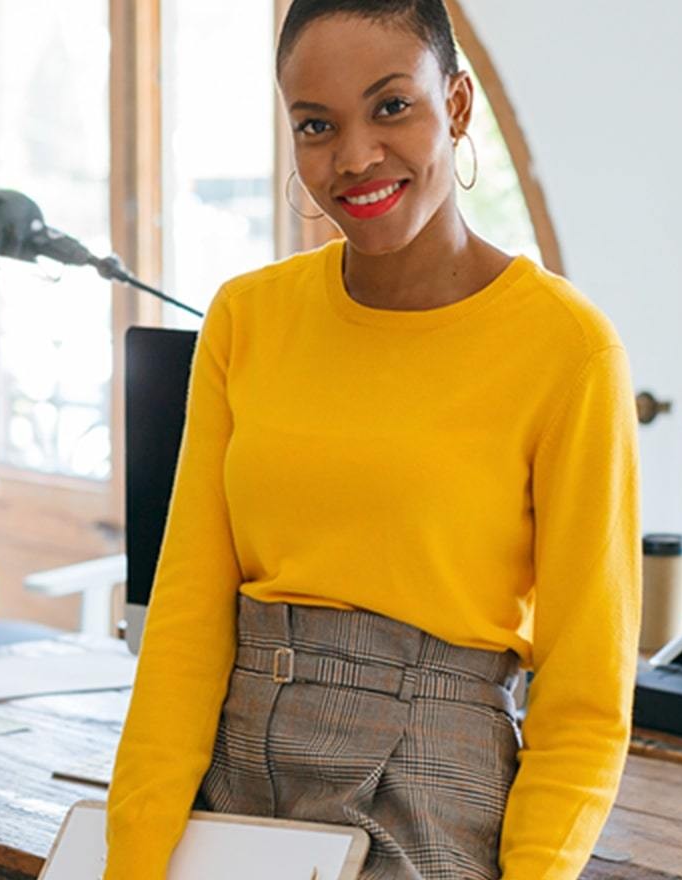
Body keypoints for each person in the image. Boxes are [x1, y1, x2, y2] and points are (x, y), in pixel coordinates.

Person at [104, 1, 641, 877]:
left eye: (392, 106)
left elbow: (585, 696)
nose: (354, 158)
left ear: (458, 106)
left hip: (434, 785)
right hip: (233, 774)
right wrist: (131, 858)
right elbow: (188, 620)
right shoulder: (247, 318)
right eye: (317, 125)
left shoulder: (569, 350)